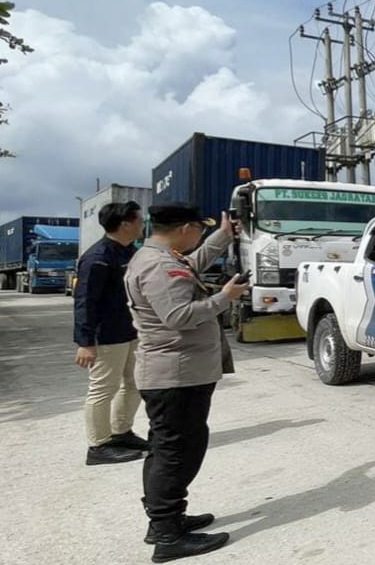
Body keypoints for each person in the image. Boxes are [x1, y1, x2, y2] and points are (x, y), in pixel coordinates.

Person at [125, 203, 250, 561]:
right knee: (175, 453)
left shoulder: (161, 258)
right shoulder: (160, 266)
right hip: (175, 375)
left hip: (177, 373)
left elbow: (192, 264)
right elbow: (178, 316)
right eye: (199, 229)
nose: (198, 236)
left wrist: (224, 235)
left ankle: (167, 520)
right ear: (184, 229)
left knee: (170, 448)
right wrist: (224, 298)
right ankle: (167, 536)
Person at [73, 200, 149, 465]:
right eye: (139, 220)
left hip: (130, 331)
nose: (142, 225)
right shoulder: (98, 258)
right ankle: (98, 445)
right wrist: (85, 342)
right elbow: (84, 301)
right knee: (103, 389)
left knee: (136, 383)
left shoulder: (130, 252)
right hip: (106, 336)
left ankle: (120, 432)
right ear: (126, 224)